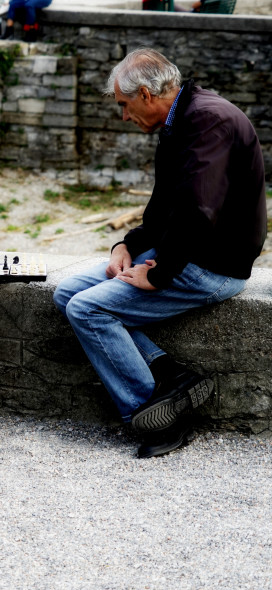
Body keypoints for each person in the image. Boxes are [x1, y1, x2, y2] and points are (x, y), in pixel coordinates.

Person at [53, 48, 266, 459]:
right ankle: (169, 374)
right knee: (66, 294)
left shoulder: (207, 121)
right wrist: (127, 246)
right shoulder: (180, 121)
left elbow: (199, 213)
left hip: (212, 266)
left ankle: (155, 412)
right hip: (187, 252)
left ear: (146, 94)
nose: (123, 116)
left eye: (123, 105)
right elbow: (164, 211)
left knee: (88, 310)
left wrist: (159, 273)